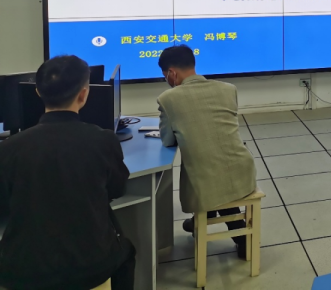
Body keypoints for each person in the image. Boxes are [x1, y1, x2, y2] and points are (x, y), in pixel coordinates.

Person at [0, 55, 135, 290]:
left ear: (38, 92)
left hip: (23, 270)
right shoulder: (103, 140)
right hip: (90, 267)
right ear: (84, 94)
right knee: (127, 252)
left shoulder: (9, 148)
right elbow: (117, 189)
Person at [157, 45, 256, 258]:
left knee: (209, 174)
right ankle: (235, 235)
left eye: (165, 76)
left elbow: (167, 141)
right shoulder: (228, 89)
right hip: (243, 170)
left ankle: (208, 223)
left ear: (171, 73)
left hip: (206, 179)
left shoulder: (168, 99)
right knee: (215, 168)